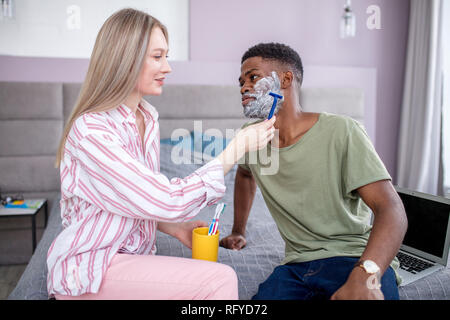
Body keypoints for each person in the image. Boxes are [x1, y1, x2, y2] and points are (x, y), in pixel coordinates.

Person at [47, 9, 276, 300]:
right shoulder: (91, 131)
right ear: (125, 59)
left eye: (166, 56)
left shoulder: (147, 118)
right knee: (219, 280)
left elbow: (129, 196)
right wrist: (236, 148)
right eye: (157, 56)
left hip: (130, 257)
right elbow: (165, 198)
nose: (167, 67)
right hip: (93, 265)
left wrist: (172, 226)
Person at [220, 42, 408, 300]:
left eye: (253, 77)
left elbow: (392, 211)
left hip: (353, 258)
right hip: (294, 269)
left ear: (285, 79)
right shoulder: (249, 138)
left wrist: (366, 274)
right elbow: (244, 174)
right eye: (240, 82)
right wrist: (239, 230)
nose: (243, 87)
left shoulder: (343, 131)